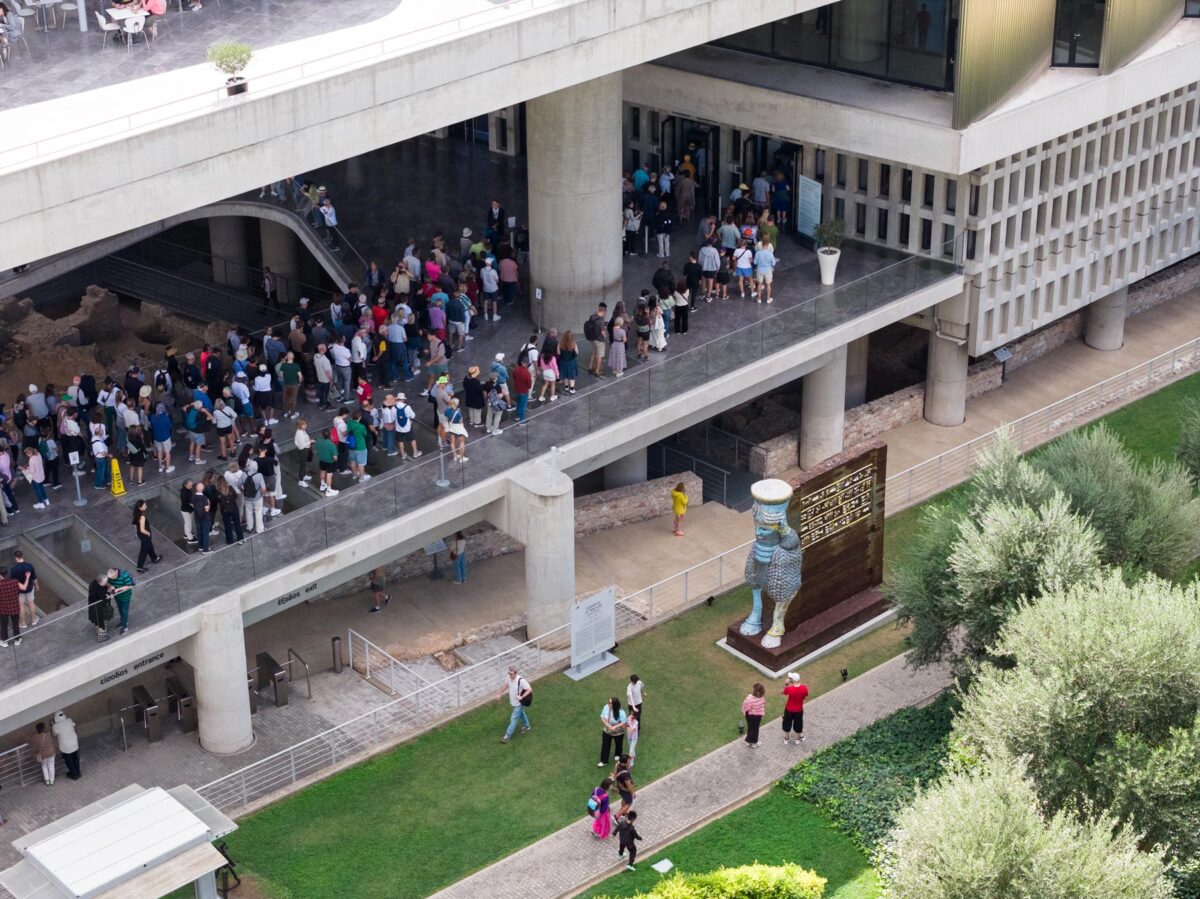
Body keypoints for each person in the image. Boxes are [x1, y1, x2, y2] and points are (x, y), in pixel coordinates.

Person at [500, 666, 532, 743]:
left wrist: (522, 697)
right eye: (509, 673)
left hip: (519, 703)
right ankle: (526, 726)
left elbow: (530, 689)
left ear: (516, 673)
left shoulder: (521, 680)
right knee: (521, 713)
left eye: (511, 674)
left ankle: (507, 735)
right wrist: (499, 693)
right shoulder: (508, 677)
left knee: (514, 718)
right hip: (513, 702)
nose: (510, 675)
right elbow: (506, 685)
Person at [132, 499, 162, 573]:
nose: (146, 506)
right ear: (140, 508)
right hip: (144, 535)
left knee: (149, 546)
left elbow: (136, 526)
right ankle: (139, 567)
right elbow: (142, 529)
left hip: (141, 535)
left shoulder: (136, 514)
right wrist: (148, 533)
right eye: (144, 505)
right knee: (144, 551)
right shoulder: (142, 517)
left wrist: (137, 532)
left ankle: (155, 558)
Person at [11, 551, 36, 630]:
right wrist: (37, 585)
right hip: (29, 589)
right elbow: (34, 577)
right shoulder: (29, 566)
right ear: (23, 556)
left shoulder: (13, 569)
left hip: (19, 591)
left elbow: (13, 582)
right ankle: (33, 621)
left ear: (15, 558)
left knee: (21, 606)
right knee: (31, 603)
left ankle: (23, 623)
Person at [782, 671, 809, 744]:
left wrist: (786, 684)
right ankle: (797, 739)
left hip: (788, 709)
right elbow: (805, 697)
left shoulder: (789, 689)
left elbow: (782, 692)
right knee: (798, 723)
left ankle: (786, 739)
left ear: (792, 680)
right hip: (799, 710)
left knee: (787, 722)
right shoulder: (804, 688)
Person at [52, 712, 80, 781]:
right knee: (75, 758)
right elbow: (74, 726)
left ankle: (74, 774)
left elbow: (54, 734)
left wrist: (52, 725)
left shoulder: (56, 726)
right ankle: (78, 772)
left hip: (65, 746)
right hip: (74, 742)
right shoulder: (69, 720)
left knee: (69, 760)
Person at [599, 696, 627, 766]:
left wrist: (615, 726)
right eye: (608, 702)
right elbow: (602, 718)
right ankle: (603, 761)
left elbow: (623, 722)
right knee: (605, 745)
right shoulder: (606, 707)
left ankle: (617, 754)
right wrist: (609, 726)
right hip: (607, 730)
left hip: (618, 732)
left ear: (614, 705)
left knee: (619, 744)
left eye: (610, 703)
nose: (608, 704)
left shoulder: (621, 712)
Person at [87, 574, 113, 639]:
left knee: (97, 621)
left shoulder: (93, 583)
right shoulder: (100, 591)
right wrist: (109, 593)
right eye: (105, 582)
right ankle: (102, 636)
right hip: (99, 607)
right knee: (101, 621)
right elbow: (104, 598)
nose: (107, 582)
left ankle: (98, 631)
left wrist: (107, 586)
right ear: (101, 582)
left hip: (93, 606)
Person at [585, 303, 608, 377]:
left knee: (593, 353)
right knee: (600, 356)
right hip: (599, 340)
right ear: (603, 311)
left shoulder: (592, 316)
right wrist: (605, 330)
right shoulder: (601, 321)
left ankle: (590, 367)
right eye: (605, 312)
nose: (605, 314)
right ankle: (597, 371)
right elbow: (603, 333)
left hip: (592, 338)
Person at [0, 566, 20, 648]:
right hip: (14, 606)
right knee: (15, 624)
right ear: (6, 573)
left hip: (3, 609)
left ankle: (4, 641)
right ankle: (17, 640)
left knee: (3, 625)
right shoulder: (15, 582)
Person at [31, 722, 56, 786]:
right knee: (51, 765)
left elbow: (34, 746)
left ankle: (47, 780)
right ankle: (52, 780)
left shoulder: (34, 737)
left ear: (36, 729)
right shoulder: (48, 734)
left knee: (44, 766)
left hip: (42, 755)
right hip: (51, 752)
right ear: (43, 728)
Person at [612, 753, 636, 819]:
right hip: (625, 789)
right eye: (628, 761)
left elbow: (614, 775)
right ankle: (616, 816)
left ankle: (624, 812)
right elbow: (628, 784)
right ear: (624, 763)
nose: (629, 762)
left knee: (624, 799)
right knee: (629, 802)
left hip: (619, 787)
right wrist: (633, 793)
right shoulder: (625, 774)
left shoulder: (617, 764)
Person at [742, 683, 766, 748]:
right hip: (757, 717)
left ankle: (748, 741)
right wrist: (762, 715)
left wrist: (745, 712)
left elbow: (746, 707)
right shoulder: (762, 699)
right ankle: (754, 743)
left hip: (749, 716)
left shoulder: (749, 698)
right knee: (755, 729)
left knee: (750, 727)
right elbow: (762, 708)